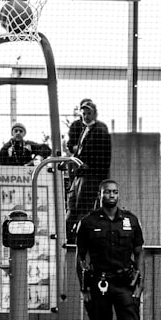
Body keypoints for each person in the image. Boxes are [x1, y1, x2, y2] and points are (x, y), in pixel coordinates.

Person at [76, 179, 158, 320]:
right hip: (99, 285)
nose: (112, 195)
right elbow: (80, 256)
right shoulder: (87, 222)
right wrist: (83, 288)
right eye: (107, 192)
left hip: (125, 285)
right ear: (100, 194)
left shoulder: (131, 220)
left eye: (115, 192)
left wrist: (139, 283)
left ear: (118, 195)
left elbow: (140, 251)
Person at [65, 98, 112, 236]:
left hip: (90, 176)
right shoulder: (84, 129)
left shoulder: (99, 131)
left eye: (88, 114)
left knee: (83, 209)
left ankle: (81, 238)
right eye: (84, 113)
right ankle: (68, 236)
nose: (86, 116)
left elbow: (103, 156)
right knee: (72, 206)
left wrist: (91, 169)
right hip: (80, 175)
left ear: (95, 114)